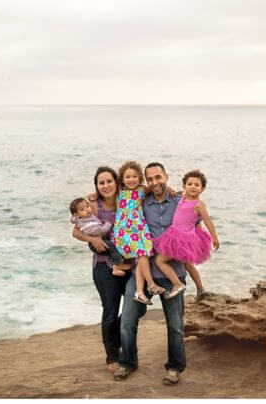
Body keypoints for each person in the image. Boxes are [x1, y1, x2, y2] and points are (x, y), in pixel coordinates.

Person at [114, 162, 188, 386]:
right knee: (127, 320)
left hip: (171, 271)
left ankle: (174, 368)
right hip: (143, 271)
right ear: (146, 181)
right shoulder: (141, 200)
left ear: (167, 176)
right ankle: (127, 361)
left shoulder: (179, 201)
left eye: (159, 177)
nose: (155, 182)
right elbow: (116, 205)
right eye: (151, 179)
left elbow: (195, 224)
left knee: (175, 325)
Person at [71, 166, 132, 375]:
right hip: (104, 267)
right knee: (109, 312)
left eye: (109, 181)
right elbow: (75, 231)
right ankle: (112, 355)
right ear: (97, 186)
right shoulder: (94, 206)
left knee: (136, 308)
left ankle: (117, 335)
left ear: (117, 182)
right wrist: (93, 239)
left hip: (131, 264)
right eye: (101, 182)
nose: (105, 185)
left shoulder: (127, 200)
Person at [154, 170, 220, 299]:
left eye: (197, 185)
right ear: (184, 186)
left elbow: (207, 220)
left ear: (202, 189)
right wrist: (171, 190)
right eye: (189, 184)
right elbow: (173, 191)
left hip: (182, 238)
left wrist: (215, 238)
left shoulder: (199, 205)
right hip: (175, 235)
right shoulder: (183, 196)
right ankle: (200, 289)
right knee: (188, 264)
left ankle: (177, 284)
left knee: (160, 260)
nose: (193, 187)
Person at [113, 161, 167, 305]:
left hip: (139, 229)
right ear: (122, 179)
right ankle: (151, 285)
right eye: (128, 177)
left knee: (142, 257)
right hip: (124, 231)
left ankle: (139, 292)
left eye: (134, 176)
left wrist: (172, 191)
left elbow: (157, 188)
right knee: (142, 254)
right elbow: (102, 192)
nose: (131, 180)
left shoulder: (143, 190)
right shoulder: (119, 191)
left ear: (140, 178)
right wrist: (93, 195)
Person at [70, 197, 129, 276]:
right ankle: (118, 265)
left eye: (87, 207)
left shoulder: (80, 218)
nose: (87, 209)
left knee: (112, 251)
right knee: (113, 248)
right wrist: (109, 223)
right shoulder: (88, 224)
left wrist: (74, 218)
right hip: (100, 243)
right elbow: (100, 231)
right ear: (76, 214)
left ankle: (116, 267)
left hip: (104, 241)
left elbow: (73, 220)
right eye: (82, 210)